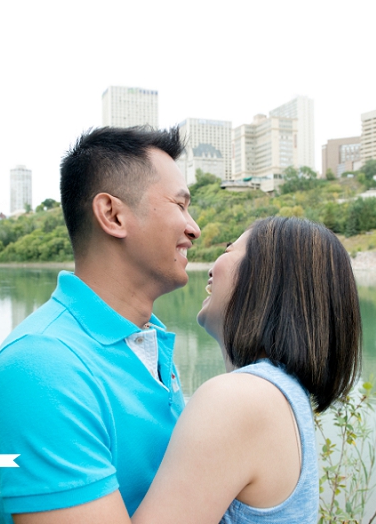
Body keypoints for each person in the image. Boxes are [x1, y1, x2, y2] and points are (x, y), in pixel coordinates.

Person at [0, 126, 201, 524]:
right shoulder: (42, 367)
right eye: (180, 205)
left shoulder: (148, 337)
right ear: (112, 214)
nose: (193, 228)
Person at [131, 216, 363, 523]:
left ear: (267, 277)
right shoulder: (282, 393)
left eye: (229, 250)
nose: (212, 267)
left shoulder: (240, 399)